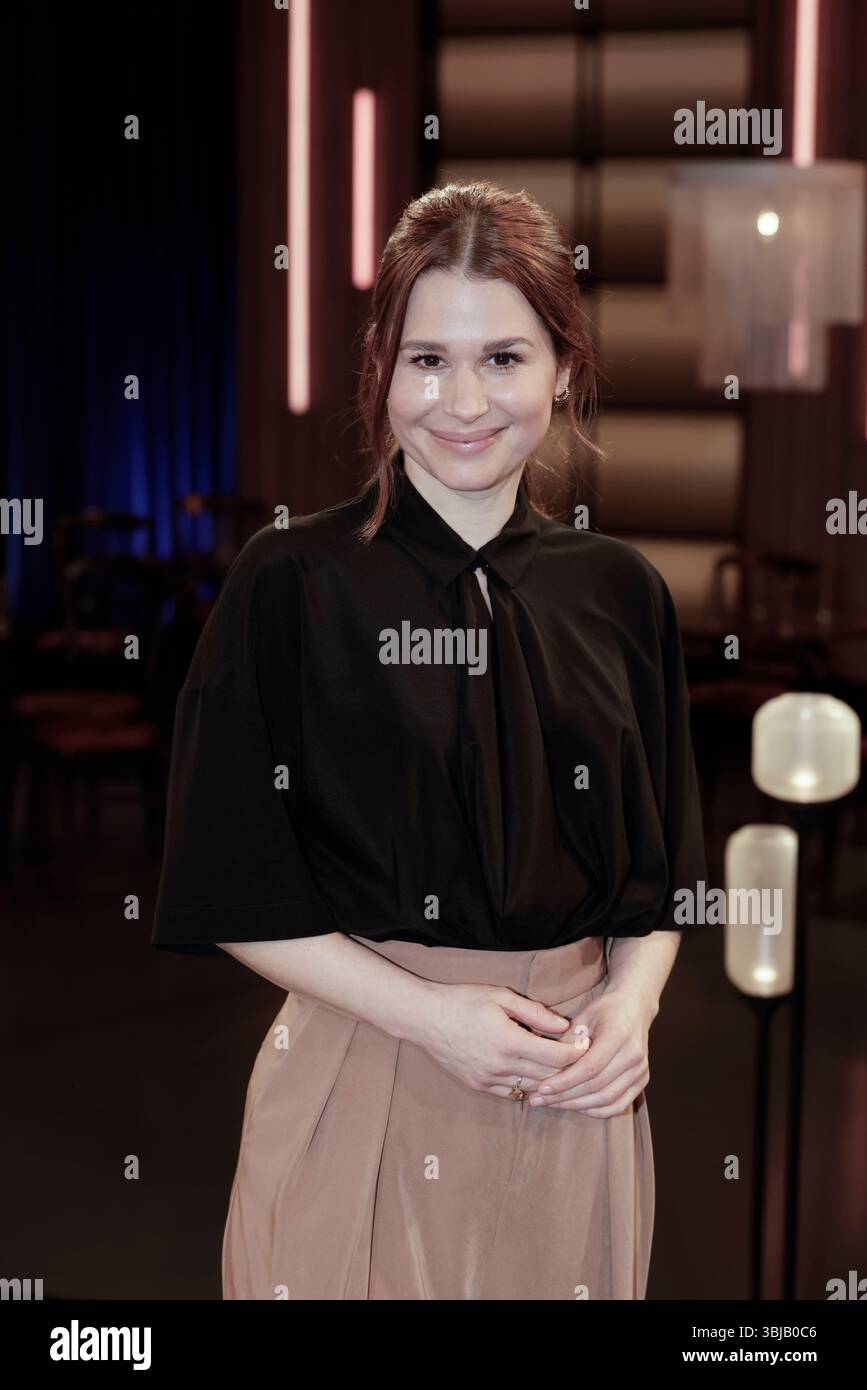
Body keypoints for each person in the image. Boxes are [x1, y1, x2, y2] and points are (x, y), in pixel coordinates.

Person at [151, 180, 708, 1301]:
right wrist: (433, 1021)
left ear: (565, 369)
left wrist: (631, 1008)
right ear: (382, 373)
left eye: (503, 359)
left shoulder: (622, 591)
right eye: (426, 361)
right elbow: (225, 887)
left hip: (574, 1091)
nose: (463, 401)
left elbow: (663, 881)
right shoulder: (289, 582)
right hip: (368, 1060)